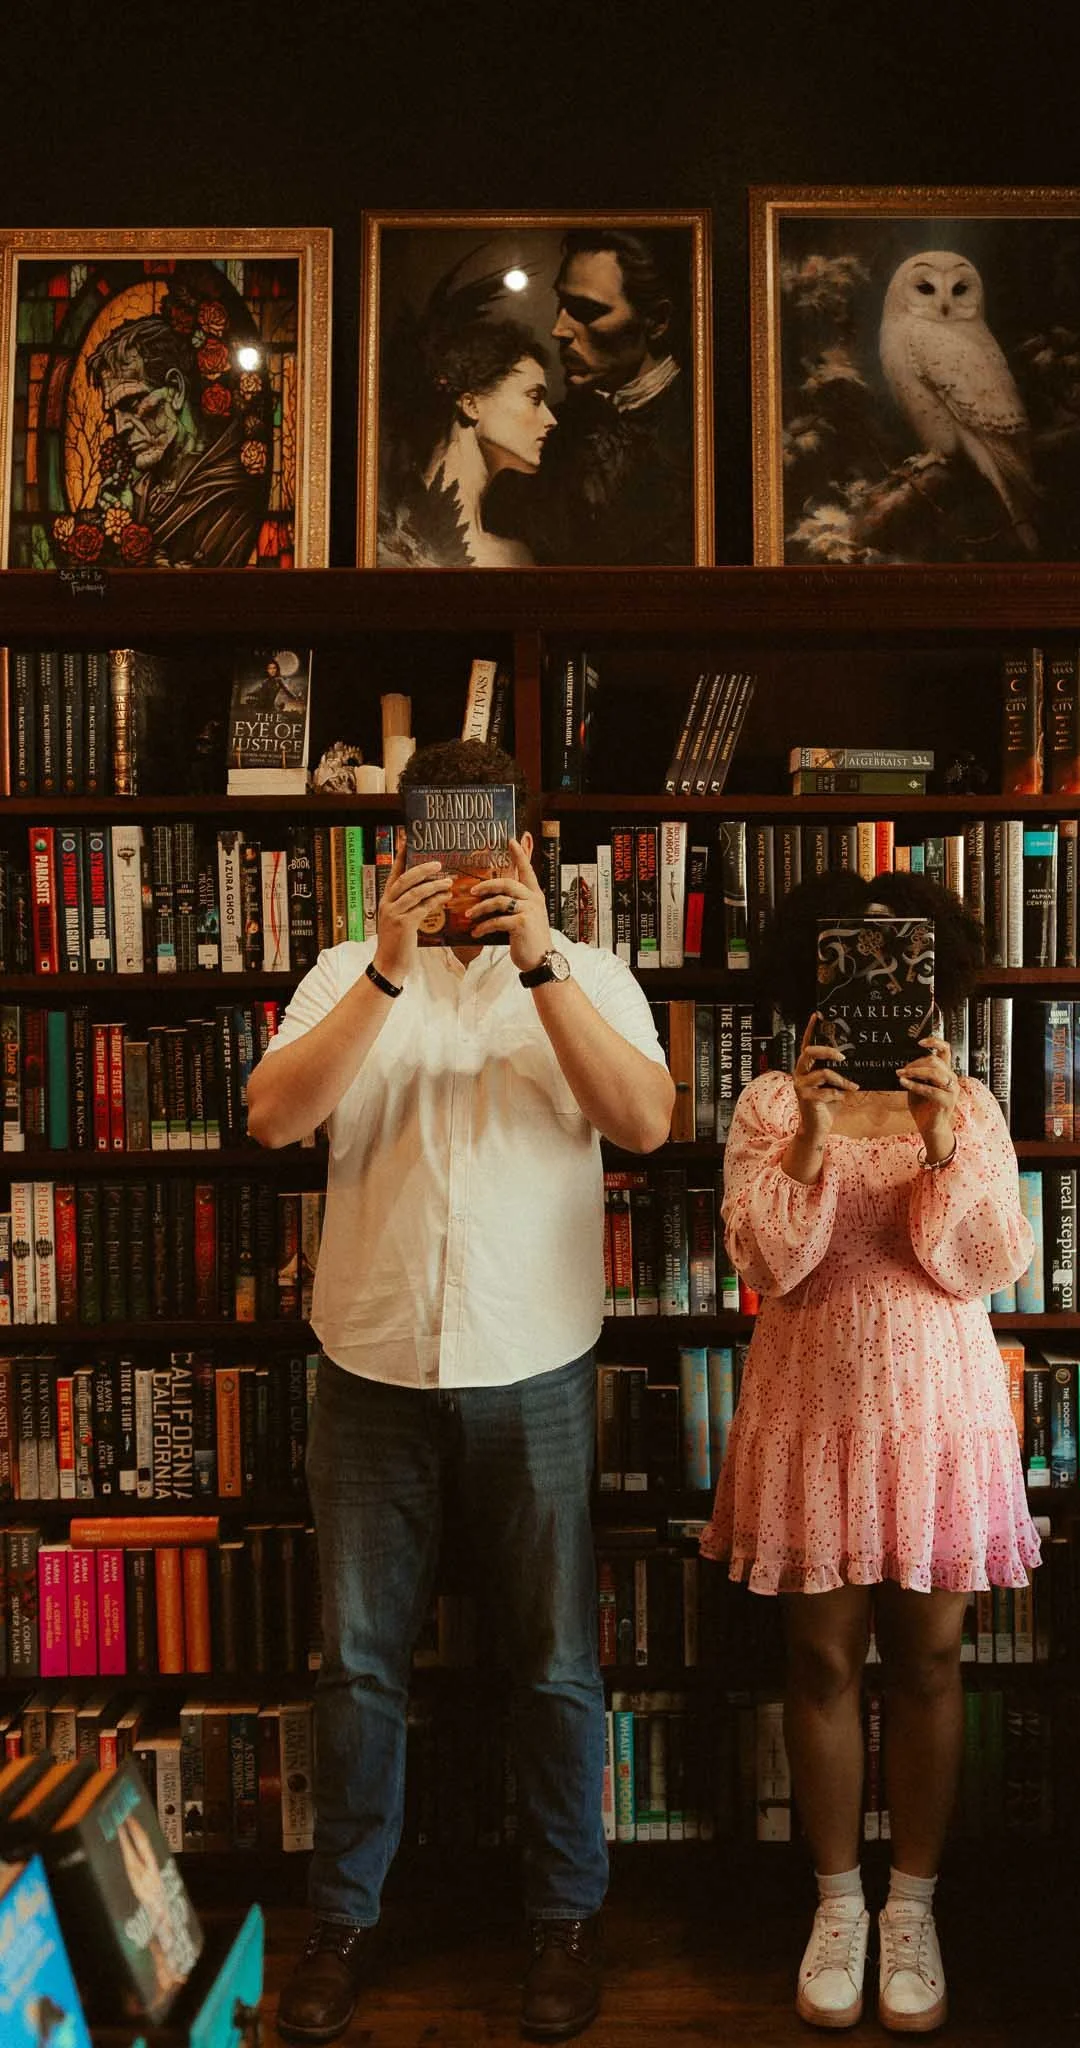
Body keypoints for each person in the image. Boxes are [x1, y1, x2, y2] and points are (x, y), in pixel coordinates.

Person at [250, 737, 674, 2045]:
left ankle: (564, 1919)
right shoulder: (345, 970)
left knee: (555, 1666)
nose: (464, 867)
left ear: (525, 849)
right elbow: (272, 1117)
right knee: (358, 1668)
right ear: (402, 849)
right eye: (439, 841)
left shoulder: (592, 974)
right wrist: (386, 967)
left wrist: (542, 960)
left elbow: (647, 1122)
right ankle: (342, 1923)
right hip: (369, 1369)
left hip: (533, 1364)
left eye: (488, 843)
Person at [700, 868, 1040, 2034]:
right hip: (810, 1410)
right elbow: (766, 1262)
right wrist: (809, 1135)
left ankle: (915, 1905)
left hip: (937, 1412)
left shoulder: (970, 1103)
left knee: (933, 1662)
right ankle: (838, 1901)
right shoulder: (767, 1104)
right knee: (820, 1662)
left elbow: (988, 1263)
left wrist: (943, 1139)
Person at [486, 227, 694, 565]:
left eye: (587, 311)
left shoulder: (699, 429)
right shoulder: (551, 429)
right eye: (562, 305)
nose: (558, 330)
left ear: (657, 321)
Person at [85, 314, 268, 566]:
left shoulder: (231, 501)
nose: (119, 428)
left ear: (176, 389)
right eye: (112, 415)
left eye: (132, 403)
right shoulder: (137, 493)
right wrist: (121, 521)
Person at [377, 317, 556, 566]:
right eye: (534, 397)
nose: (551, 420)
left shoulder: (516, 555)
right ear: (471, 405)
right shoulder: (392, 537)